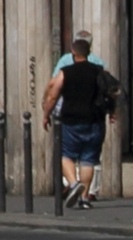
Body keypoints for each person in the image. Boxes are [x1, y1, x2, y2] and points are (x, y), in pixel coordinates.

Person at [42, 39, 106, 210]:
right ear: (89, 52)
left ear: (73, 53)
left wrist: (46, 114)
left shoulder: (66, 72)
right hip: (95, 121)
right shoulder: (99, 71)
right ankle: (84, 198)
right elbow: (110, 92)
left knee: (65, 155)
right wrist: (112, 113)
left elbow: (53, 94)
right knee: (88, 160)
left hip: (71, 120)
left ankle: (73, 183)